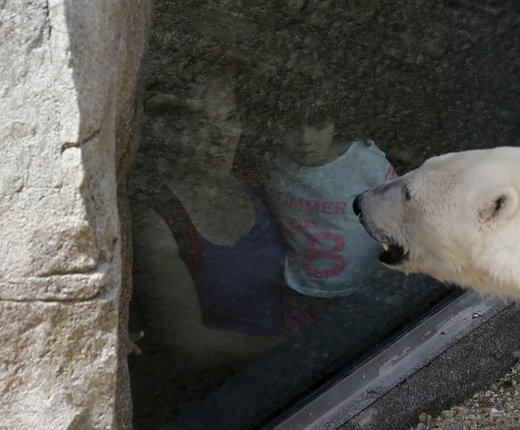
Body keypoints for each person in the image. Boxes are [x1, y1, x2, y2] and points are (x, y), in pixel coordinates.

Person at [141, 77, 286, 335]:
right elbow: (188, 345)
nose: (222, 137)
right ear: (171, 132)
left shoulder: (250, 177)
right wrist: (296, 349)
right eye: (202, 124)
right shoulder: (158, 221)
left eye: (229, 118)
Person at [263, 112, 397, 333]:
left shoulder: (365, 163)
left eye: (318, 123)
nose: (305, 138)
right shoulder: (272, 163)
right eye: (290, 125)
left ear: (335, 123)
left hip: (362, 289)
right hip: (299, 291)